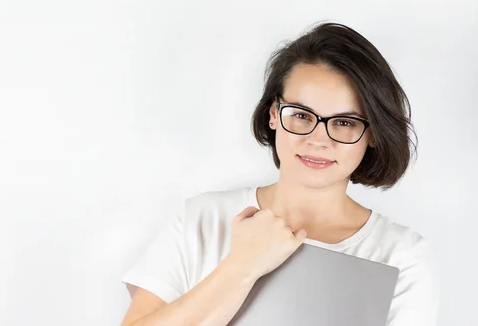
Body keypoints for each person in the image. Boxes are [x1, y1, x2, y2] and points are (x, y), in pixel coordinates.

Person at [120, 22, 439, 326]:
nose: (318, 139)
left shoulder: (401, 255)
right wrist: (242, 265)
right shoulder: (201, 219)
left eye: (344, 122)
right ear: (274, 114)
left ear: (372, 133)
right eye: (301, 115)